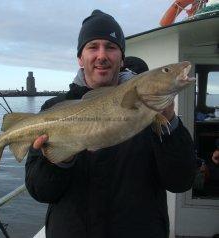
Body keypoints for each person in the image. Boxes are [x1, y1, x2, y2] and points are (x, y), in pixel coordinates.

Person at [25, 9, 195, 238]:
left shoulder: (155, 112)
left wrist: (170, 122)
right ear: (80, 58)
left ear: (122, 58)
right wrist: (59, 161)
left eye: (111, 47)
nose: (102, 55)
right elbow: (41, 191)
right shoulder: (53, 109)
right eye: (92, 46)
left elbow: (181, 180)